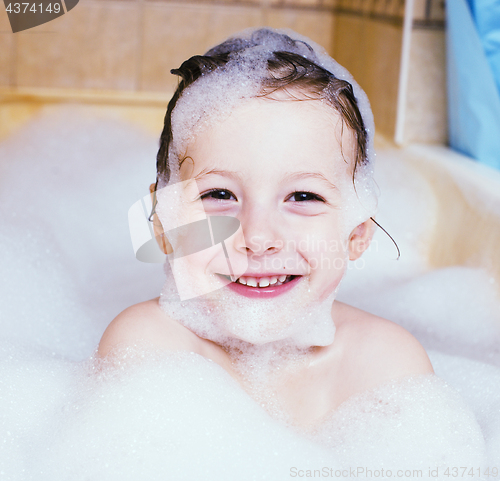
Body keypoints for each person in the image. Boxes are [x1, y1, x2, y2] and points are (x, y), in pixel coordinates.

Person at [97, 27, 433, 430]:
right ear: (163, 221)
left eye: (303, 197)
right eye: (219, 194)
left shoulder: (386, 366)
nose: (258, 239)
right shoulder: (148, 348)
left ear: (357, 232)